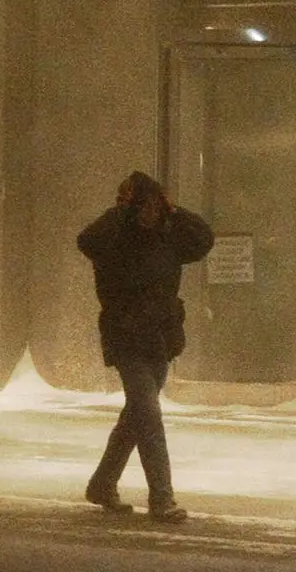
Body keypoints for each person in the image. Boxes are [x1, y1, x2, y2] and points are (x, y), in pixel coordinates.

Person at [78, 170, 214, 522]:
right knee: (149, 416)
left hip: (160, 338)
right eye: (146, 205)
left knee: (136, 417)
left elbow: (203, 240)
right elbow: (87, 241)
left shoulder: (167, 239)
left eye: (157, 205)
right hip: (126, 337)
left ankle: (102, 484)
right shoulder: (114, 240)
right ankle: (162, 498)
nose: (152, 213)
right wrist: (119, 210)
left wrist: (176, 210)